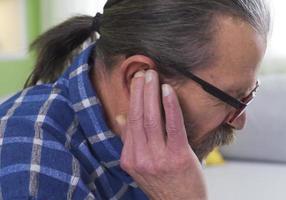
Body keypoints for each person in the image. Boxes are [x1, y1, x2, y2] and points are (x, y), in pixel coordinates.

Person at [0, 0, 270, 199]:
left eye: (249, 94)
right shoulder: (32, 165)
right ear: (139, 77)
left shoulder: (164, 141)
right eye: (231, 98)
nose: (240, 121)